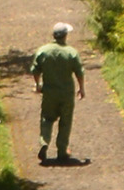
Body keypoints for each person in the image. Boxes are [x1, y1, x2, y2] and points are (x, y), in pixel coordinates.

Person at [30, 16, 85, 163]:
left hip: (49, 92)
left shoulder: (43, 51)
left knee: (46, 119)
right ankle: (62, 150)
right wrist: (81, 88)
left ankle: (44, 142)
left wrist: (38, 85)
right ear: (65, 36)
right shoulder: (71, 52)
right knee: (65, 121)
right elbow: (79, 72)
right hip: (66, 93)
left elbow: (35, 70)